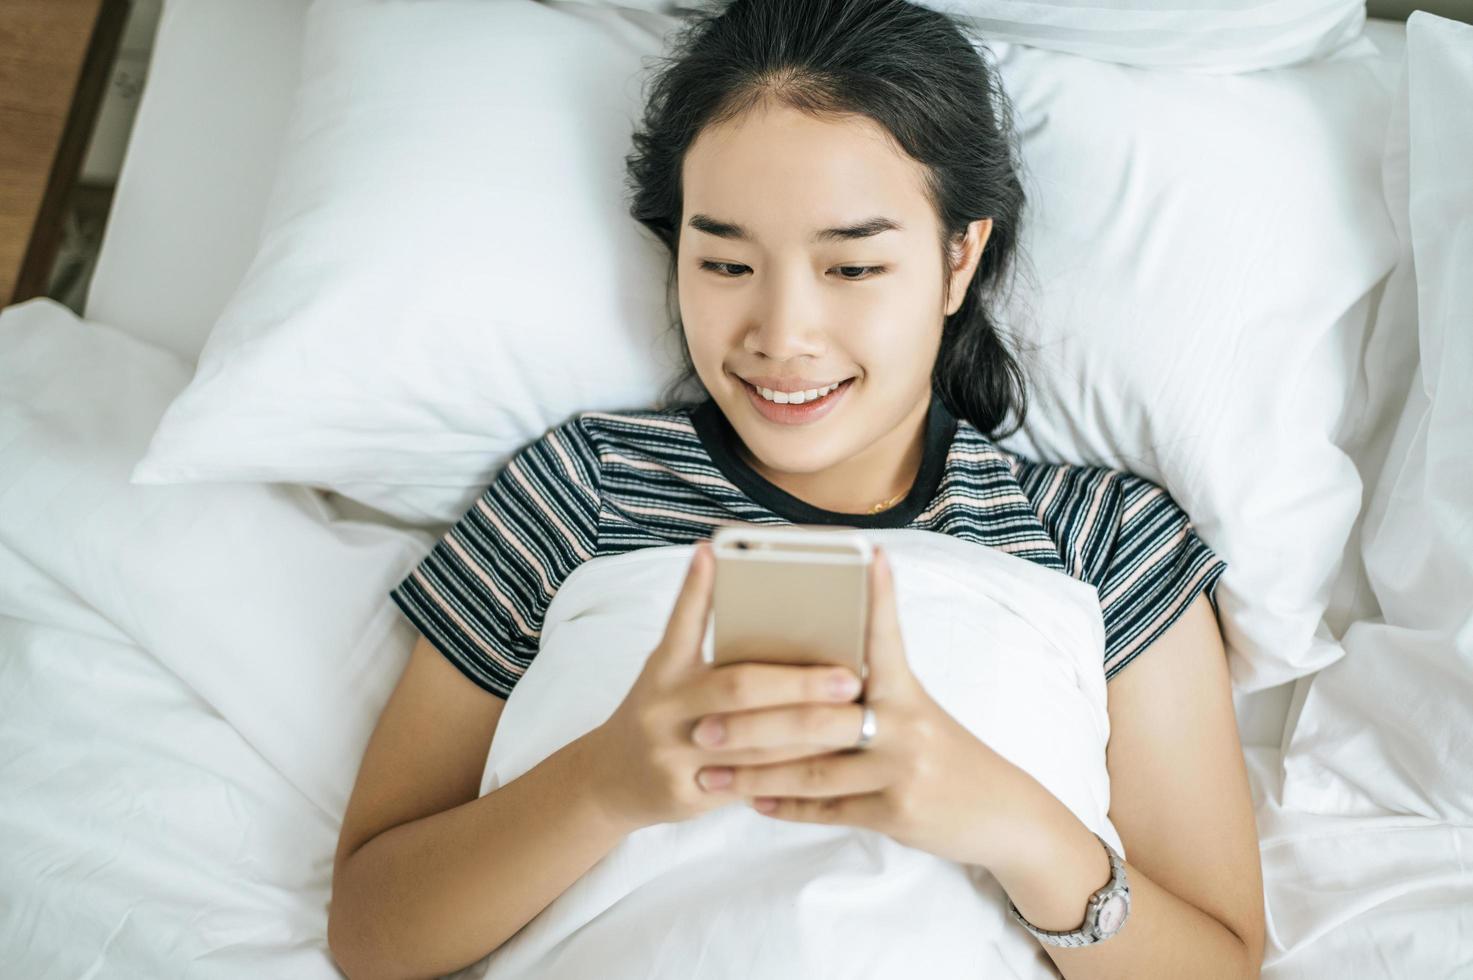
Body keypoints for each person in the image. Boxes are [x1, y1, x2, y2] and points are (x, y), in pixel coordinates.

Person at [327, 1, 1266, 977]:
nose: (782, 333)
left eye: (853, 264)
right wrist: (605, 785)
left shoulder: (1105, 539)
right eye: (725, 262)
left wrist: (1011, 821)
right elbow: (369, 929)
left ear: (958, 258)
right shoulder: (581, 487)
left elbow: (1219, 962)